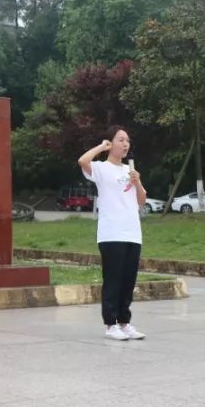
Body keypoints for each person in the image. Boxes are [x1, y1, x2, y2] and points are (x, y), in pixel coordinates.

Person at [78, 126, 147, 341]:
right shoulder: (101, 168)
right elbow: (82, 161)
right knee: (113, 279)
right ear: (111, 143)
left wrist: (138, 182)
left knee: (128, 280)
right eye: (121, 139)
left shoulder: (130, 170)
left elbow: (141, 201)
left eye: (128, 140)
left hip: (132, 233)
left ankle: (124, 322)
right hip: (111, 233)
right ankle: (110, 324)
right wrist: (101, 146)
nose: (125, 144)